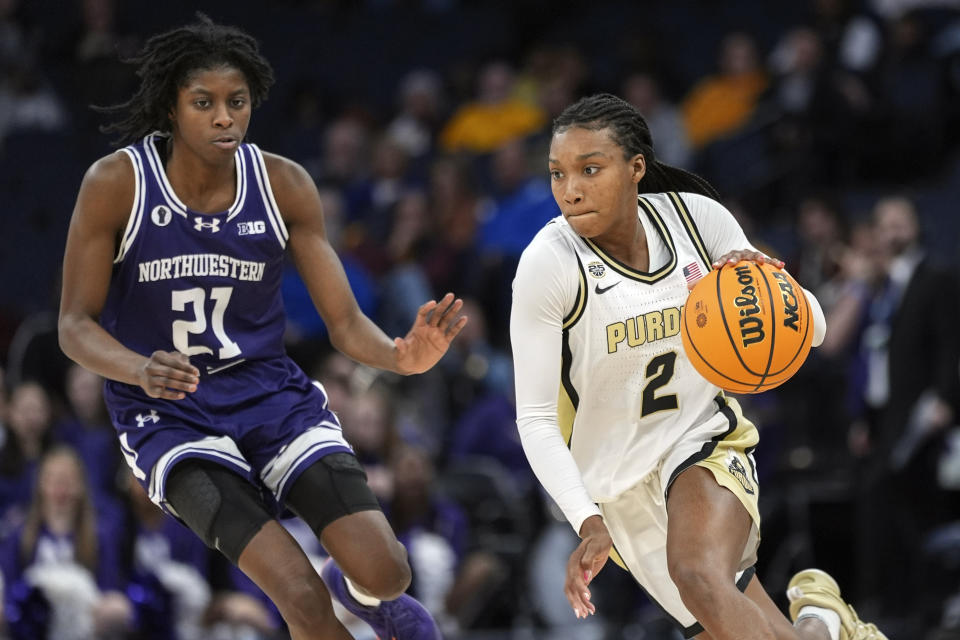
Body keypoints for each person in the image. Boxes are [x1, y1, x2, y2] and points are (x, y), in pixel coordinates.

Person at [57, 14, 466, 640]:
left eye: (237, 102)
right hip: (170, 414)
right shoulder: (117, 183)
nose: (224, 117)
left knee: (388, 572)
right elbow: (73, 325)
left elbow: (346, 322)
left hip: (270, 395)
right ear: (172, 108)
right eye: (204, 103)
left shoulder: (282, 184)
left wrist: (400, 355)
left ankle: (356, 590)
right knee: (299, 599)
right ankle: (324, 596)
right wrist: (138, 367)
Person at [509, 92, 885, 640]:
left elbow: (816, 331)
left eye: (590, 169)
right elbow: (536, 420)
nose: (570, 190)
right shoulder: (548, 264)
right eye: (558, 173)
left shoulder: (695, 217)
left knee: (697, 574)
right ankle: (824, 622)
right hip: (615, 488)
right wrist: (586, 518)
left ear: (636, 167)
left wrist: (772, 287)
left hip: (700, 437)